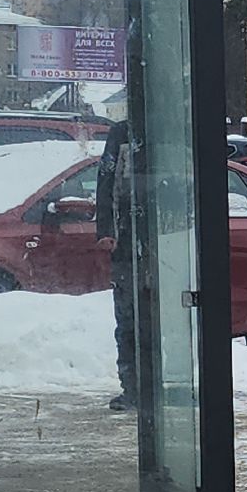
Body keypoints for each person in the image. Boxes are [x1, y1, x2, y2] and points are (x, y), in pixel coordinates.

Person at [95, 118, 137, 412]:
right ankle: (132, 388)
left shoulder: (171, 128)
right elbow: (106, 181)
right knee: (129, 320)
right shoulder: (122, 133)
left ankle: (164, 384)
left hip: (165, 241)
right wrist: (107, 230)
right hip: (126, 244)